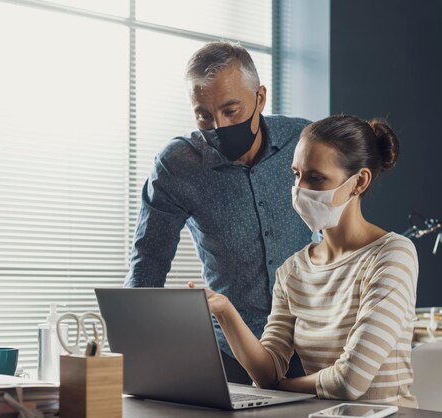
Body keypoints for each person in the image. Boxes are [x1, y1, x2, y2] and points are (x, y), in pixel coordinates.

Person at [124, 41, 312, 383]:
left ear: (260, 98)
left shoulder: (303, 141)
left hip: (312, 343)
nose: (219, 125)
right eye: (204, 115)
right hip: (230, 352)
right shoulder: (177, 164)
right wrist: (133, 353)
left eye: (231, 110)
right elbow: (148, 261)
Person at [203, 114, 419, 406]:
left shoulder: (392, 255)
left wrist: (282, 387)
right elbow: (267, 373)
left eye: (316, 178)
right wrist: (224, 311)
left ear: (359, 182)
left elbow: (349, 381)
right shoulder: (293, 270)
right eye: (296, 175)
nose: (301, 189)